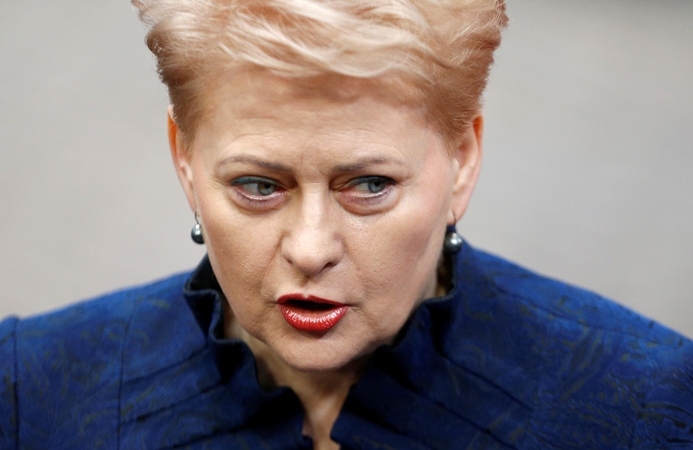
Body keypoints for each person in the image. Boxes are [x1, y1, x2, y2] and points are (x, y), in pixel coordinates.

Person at [1, 0, 691, 448]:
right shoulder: (29, 395)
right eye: (258, 186)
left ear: (462, 159)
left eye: (368, 186)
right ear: (184, 159)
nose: (310, 249)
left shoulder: (643, 409)